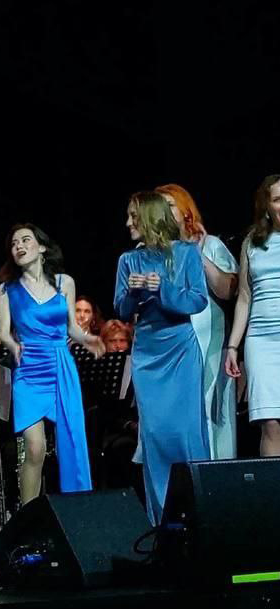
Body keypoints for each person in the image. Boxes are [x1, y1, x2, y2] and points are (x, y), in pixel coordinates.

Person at [115, 191, 210, 524]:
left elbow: (198, 300)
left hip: (180, 351)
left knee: (186, 434)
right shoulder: (128, 260)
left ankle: (199, 517)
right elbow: (122, 310)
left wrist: (163, 288)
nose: (128, 223)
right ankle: (162, 523)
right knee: (154, 438)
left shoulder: (186, 253)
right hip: (147, 355)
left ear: (151, 217)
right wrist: (134, 291)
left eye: (133, 216)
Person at [0, 224, 100, 505]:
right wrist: (12, 345)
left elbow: (72, 327)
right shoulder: (7, 289)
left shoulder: (64, 282)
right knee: (35, 447)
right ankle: (27, 515)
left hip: (59, 365)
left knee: (72, 440)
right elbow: (4, 332)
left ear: (41, 247)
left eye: (25, 240)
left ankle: (78, 507)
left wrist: (88, 339)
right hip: (29, 369)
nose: (19, 246)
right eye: (14, 243)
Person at [156, 183, 238, 460]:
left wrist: (197, 255)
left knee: (209, 413)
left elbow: (228, 290)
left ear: (185, 211)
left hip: (208, 344)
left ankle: (214, 476)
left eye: (170, 205)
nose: (163, 211)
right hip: (168, 345)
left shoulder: (211, 245)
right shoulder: (153, 253)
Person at [226, 174, 280, 457]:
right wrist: (233, 346)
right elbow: (245, 297)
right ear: (267, 206)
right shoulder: (252, 242)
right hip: (262, 341)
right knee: (270, 423)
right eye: (278, 199)